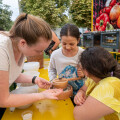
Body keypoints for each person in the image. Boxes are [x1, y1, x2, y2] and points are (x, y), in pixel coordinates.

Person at [0, 13, 63, 119]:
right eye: (38, 50)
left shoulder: (18, 44)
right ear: (23, 43)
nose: (40, 54)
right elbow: (3, 100)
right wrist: (41, 95)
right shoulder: (2, 50)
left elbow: (11, 74)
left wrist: (35, 79)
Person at [74, 47, 120, 120]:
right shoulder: (95, 78)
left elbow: (79, 116)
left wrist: (80, 104)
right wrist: (80, 93)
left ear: (86, 71)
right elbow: (83, 89)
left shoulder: (109, 86)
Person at [48, 23, 85, 96]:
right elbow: (52, 69)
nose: (67, 47)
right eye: (64, 43)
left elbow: (91, 73)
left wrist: (84, 74)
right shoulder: (55, 54)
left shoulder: (83, 54)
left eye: (71, 44)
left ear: (78, 40)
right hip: (62, 90)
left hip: (81, 91)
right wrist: (53, 80)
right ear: (60, 39)